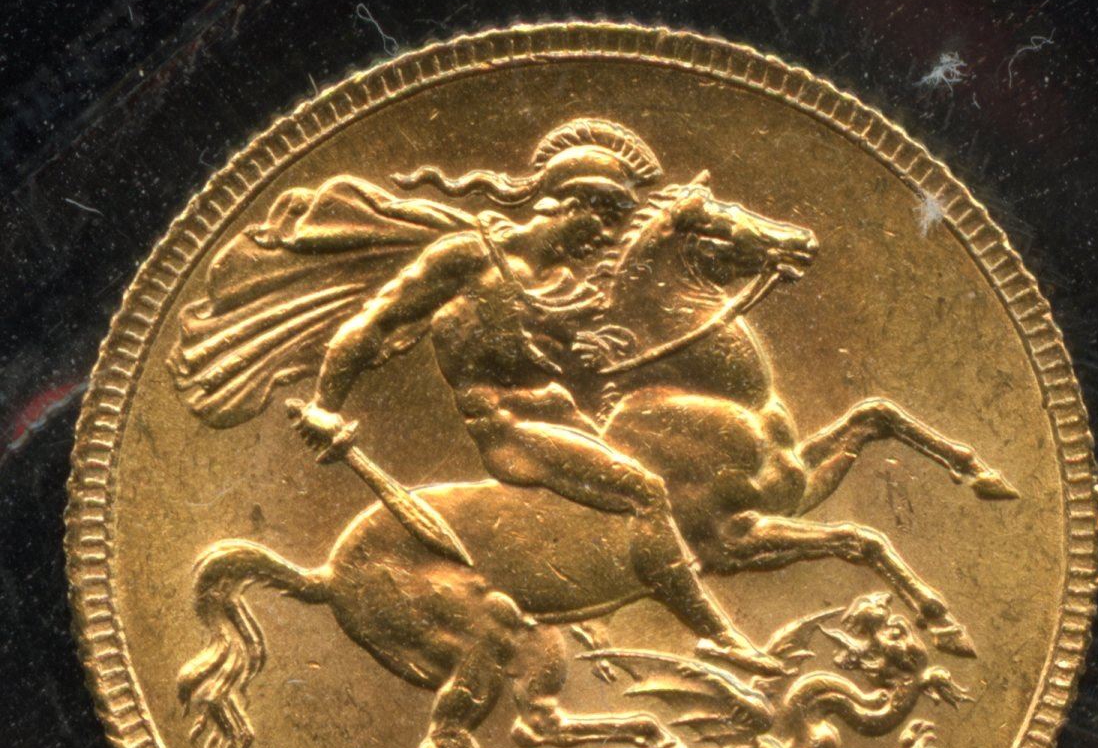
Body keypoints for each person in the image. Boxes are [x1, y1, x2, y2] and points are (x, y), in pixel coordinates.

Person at [291, 119, 774, 672]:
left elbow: (578, 363)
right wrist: (324, 405)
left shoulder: (563, 284)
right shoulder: (469, 259)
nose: (607, 238)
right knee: (644, 490)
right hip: (511, 431)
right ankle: (717, 635)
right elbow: (372, 325)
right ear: (571, 205)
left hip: (567, 421)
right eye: (607, 218)